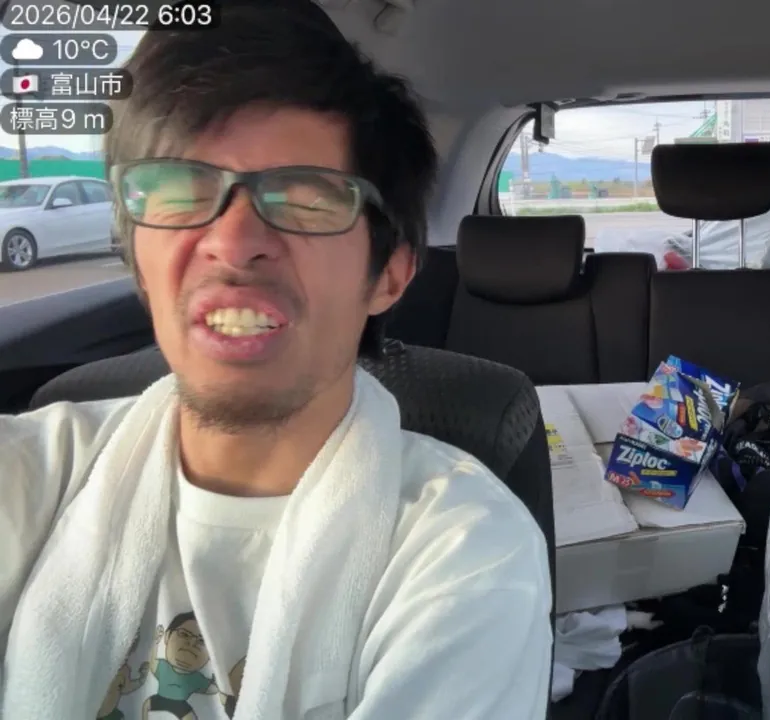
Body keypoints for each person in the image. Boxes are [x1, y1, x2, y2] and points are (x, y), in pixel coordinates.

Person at [0, 1, 552, 718]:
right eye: (177, 190)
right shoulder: (32, 474)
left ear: (389, 276)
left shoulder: (465, 553)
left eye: (305, 199)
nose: (233, 243)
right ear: (137, 255)